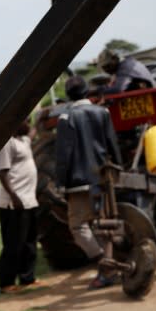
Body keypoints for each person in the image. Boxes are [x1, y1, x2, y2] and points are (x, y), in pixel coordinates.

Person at [55, 75, 123, 289]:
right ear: (87, 92)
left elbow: (63, 155)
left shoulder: (66, 118)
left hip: (79, 183)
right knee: (104, 225)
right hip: (103, 179)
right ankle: (108, 269)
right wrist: (118, 169)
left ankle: (105, 264)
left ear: (68, 96)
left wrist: (60, 183)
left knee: (78, 226)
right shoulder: (102, 112)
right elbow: (112, 144)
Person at [0, 118, 41, 294]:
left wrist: (41, 117)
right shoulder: (7, 143)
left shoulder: (24, 140)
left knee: (29, 242)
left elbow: (32, 132)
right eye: (26, 121)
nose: (29, 124)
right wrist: (14, 196)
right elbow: (2, 172)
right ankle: (6, 282)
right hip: (13, 203)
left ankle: (27, 278)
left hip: (29, 200)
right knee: (13, 244)